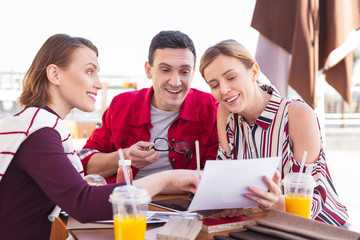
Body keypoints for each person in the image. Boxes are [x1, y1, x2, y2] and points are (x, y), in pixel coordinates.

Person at [0, 34, 201, 240]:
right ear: (55, 74)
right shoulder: (39, 134)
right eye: (89, 72)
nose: (98, 84)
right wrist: (171, 177)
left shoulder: (36, 124)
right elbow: (83, 204)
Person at [199, 39, 348, 226]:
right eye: (214, 85)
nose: (224, 90)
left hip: (319, 228)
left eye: (231, 77)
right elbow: (227, 174)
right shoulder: (225, 112)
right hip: (265, 224)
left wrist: (280, 204)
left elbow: (313, 196)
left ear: (253, 72)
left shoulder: (297, 114)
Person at [79, 30, 218, 183]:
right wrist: (125, 156)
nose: (175, 81)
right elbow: (87, 164)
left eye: (184, 72)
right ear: (148, 70)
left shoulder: (212, 108)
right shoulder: (122, 105)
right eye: (165, 70)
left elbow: (215, 177)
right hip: (128, 203)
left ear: (192, 73)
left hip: (186, 205)